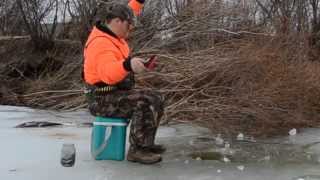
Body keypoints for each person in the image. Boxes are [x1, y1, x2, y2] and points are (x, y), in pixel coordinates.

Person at [83, 0, 165, 164]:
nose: (131, 28)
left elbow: (129, 10)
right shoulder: (101, 43)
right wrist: (128, 65)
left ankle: (145, 143)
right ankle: (138, 150)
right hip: (101, 100)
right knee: (146, 100)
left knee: (156, 96)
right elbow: (107, 74)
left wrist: (139, 2)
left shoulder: (111, 33)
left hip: (115, 93)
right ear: (116, 21)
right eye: (129, 24)